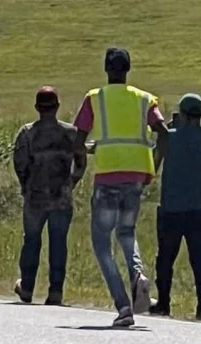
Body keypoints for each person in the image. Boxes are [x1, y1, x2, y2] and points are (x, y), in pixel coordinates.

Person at [74, 48, 170, 328]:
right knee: (127, 233)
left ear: (106, 69)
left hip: (107, 176)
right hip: (137, 175)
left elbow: (78, 141)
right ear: (128, 69)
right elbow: (163, 134)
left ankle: (123, 305)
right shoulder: (144, 99)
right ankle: (137, 274)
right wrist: (154, 164)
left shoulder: (95, 98)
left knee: (102, 244)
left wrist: (93, 149)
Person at [12, 86, 87, 306]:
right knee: (58, 243)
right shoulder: (71, 133)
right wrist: (70, 182)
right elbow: (81, 163)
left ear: (37, 107)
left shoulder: (27, 133)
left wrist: (26, 185)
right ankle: (55, 291)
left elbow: (19, 164)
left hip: (34, 197)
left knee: (31, 241)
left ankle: (27, 287)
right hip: (61, 198)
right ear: (57, 107)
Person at [150, 94, 201, 320]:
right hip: (199, 209)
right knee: (200, 261)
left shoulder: (169, 138)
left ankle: (163, 304)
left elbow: (154, 164)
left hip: (172, 207)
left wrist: (170, 132)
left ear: (181, 112)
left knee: (165, 259)